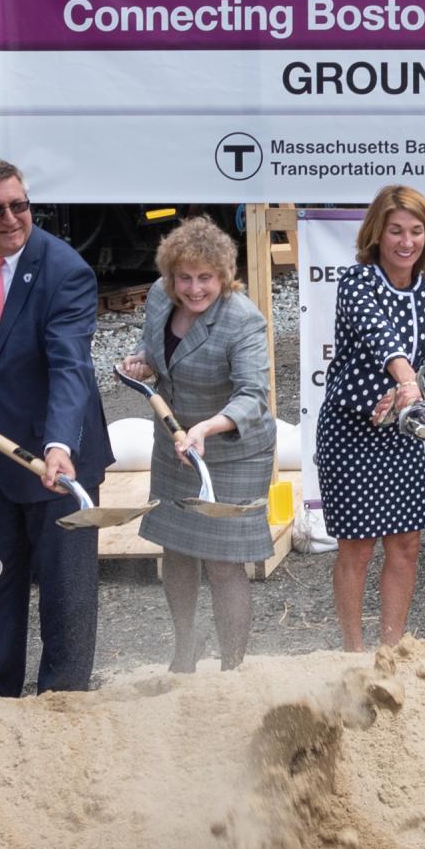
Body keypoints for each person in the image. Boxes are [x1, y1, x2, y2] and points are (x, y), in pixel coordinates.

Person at [0, 159, 112, 697]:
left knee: (66, 594)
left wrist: (58, 444)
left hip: (58, 459)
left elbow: (69, 367)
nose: (11, 218)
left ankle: (63, 703)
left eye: (20, 205)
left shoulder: (65, 270)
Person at [120, 218, 274, 672]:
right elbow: (155, 348)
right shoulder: (157, 295)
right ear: (169, 275)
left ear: (224, 276)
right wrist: (142, 362)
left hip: (232, 449)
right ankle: (185, 645)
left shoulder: (242, 319)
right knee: (177, 548)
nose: (193, 288)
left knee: (225, 563)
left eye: (205, 278)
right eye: (184, 277)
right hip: (175, 444)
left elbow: (252, 397)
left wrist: (206, 429)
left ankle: (232, 666)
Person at [315, 187, 425, 651]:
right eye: (396, 230)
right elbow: (381, 338)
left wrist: (410, 393)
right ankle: (352, 654)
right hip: (351, 428)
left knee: (406, 545)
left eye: (416, 231)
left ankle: (390, 651)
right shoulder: (357, 282)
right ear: (378, 232)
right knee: (357, 547)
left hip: (402, 427)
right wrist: (403, 379)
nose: (406, 241)